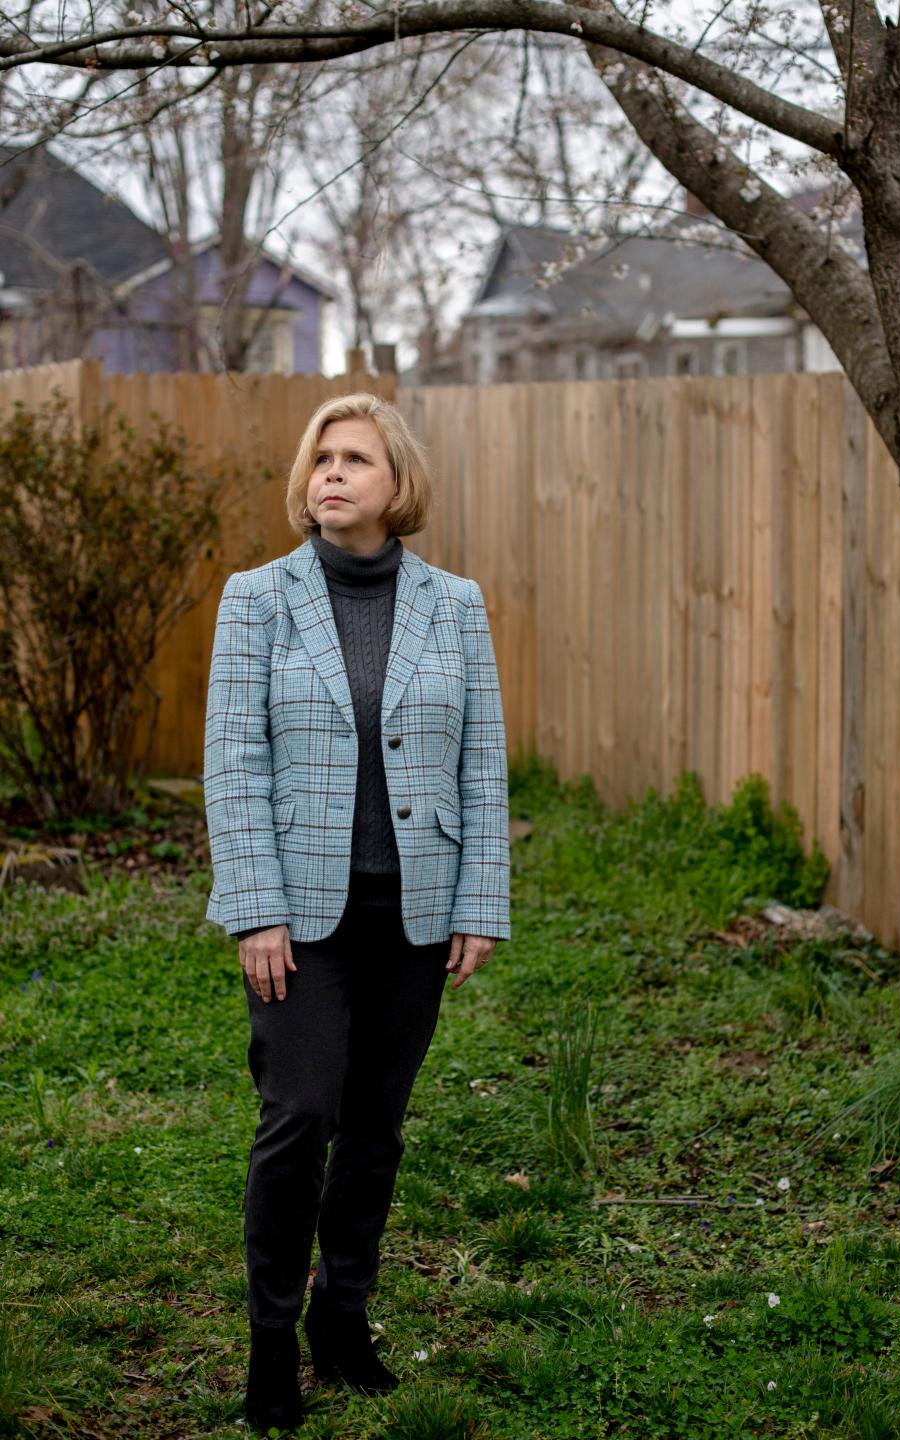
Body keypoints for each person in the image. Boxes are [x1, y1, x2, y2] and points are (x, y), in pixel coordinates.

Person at [202, 391, 511, 1434]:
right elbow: (233, 762)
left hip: (414, 913)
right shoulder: (256, 600)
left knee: (375, 1130)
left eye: (354, 460)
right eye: (319, 458)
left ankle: (346, 1322)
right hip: (299, 918)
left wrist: (479, 901)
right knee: (299, 1120)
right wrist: (254, 911)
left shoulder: (454, 605)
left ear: (397, 485)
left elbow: (482, 761)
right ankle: (270, 1341)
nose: (330, 474)